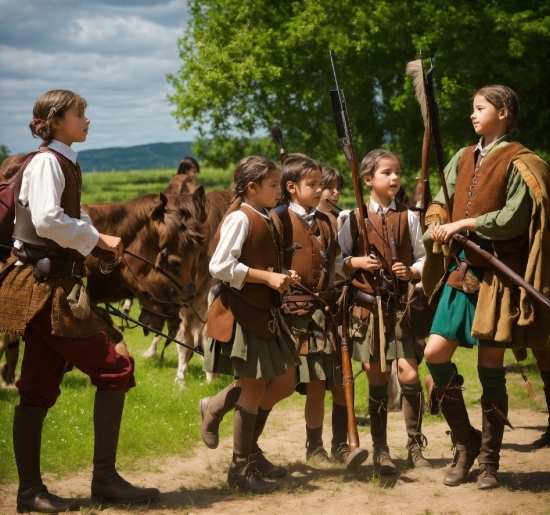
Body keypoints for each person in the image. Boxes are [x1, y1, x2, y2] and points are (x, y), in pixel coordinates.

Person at [0, 90, 159, 513]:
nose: (86, 120)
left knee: (35, 388)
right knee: (116, 368)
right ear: (54, 121)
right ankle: (102, 482)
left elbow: (71, 215)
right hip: (44, 288)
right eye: (79, 113)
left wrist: (98, 243)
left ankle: (29, 493)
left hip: (49, 284)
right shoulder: (49, 162)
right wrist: (96, 238)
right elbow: (47, 219)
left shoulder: (64, 160)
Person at [422, 85, 550, 489]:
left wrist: (465, 224)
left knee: (490, 365)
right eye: (472, 109)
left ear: (505, 113)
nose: (473, 115)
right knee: (434, 354)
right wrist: (436, 223)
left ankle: (489, 463)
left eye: (480, 108)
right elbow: (439, 200)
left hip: (498, 277)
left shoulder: (523, 161)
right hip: (462, 274)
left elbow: (513, 218)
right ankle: (466, 443)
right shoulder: (462, 156)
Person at [200, 155, 301, 493]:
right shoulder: (239, 219)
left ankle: (214, 407)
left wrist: (281, 275)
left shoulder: (267, 216)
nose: (278, 191)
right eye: (273, 185)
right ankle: (241, 468)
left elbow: (260, 261)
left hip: (264, 312)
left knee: (284, 380)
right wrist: (266, 278)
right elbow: (219, 266)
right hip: (242, 313)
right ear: (252, 187)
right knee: (255, 386)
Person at [338, 149, 428, 475]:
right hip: (366, 311)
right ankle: (381, 449)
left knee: (410, 374)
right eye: (386, 173)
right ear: (367, 180)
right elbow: (337, 262)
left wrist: (412, 272)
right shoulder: (351, 219)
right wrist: (356, 263)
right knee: (376, 379)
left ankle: (415, 443)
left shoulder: (410, 218)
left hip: (400, 310)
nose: (394, 178)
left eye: (397, 172)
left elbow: (423, 258)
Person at [274, 154, 367, 468]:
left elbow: (337, 265)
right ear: (291, 187)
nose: (321, 190)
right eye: (313, 184)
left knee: (319, 383)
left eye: (321, 185)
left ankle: (316, 447)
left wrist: (355, 268)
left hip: (324, 315)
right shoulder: (278, 219)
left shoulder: (328, 221)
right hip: (287, 318)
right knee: (273, 383)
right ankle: (247, 448)